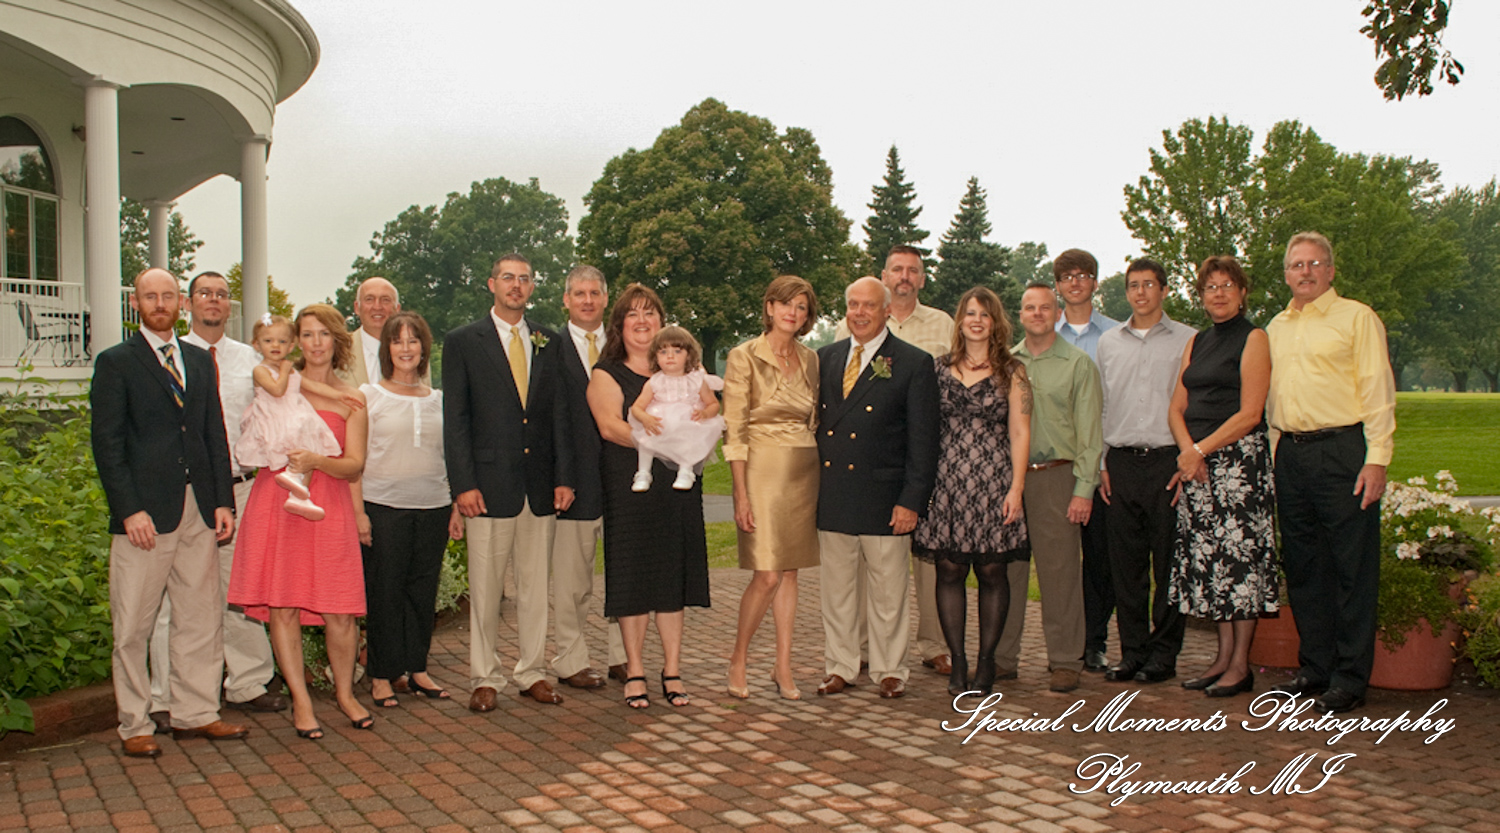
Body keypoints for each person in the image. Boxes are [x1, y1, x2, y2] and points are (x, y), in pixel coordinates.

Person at [91, 267, 247, 759]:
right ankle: (135, 723)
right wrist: (128, 509)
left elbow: (213, 433)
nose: (159, 304)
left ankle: (196, 713)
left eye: (167, 296)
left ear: (181, 303)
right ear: (135, 304)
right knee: (133, 626)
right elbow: (107, 445)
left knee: (200, 617)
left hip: (198, 509)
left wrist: (222, 500)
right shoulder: (116, 362)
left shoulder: (198, 360)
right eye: (149, 296)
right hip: (144, 517)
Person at [146, 271, 285, 736]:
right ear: (188, 304)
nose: (214, 301)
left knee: (239, 588)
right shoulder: (171, 357)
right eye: (204, 293)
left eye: (222, 295)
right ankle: (166, 697)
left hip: (240, 487)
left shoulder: (250, 358)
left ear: (229, 306)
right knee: (174, 599)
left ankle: (247, 682)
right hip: (185, 490)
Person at [1266, 231, 1396, 716]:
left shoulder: (1357, 318)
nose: (1306, 272)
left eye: (1315, 263)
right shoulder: (1276, 327)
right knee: (1304, 568)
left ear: (1331, 270)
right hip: (1291, 453)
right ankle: (1315, 668)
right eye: (1297, 265)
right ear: (1286, 274)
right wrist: (1274, 460)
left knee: (1351, 569)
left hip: (1343, 451)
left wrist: (1377, 457)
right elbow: (1273, 400)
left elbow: (1377, 389)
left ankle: (1350, 677)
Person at [228, 304, 371, 740]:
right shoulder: (280, 385)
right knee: (283, 606)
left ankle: (345, 694)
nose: (315, 342)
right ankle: (302, 702)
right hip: (279, 502)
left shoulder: (353, 398)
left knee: (340, 610)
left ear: (337, 340)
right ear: (295, 342)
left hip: (329, 507)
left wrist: (317, 461)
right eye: (307, 334)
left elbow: (354, 465)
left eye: (323, 334)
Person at [443, 253, 575, 711]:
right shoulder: (463, 341)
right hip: (486, 487)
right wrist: (463, 484)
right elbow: (455, 419)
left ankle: (532, 672)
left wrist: (563, 477)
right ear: (491, 284)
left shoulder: (549, 341)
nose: (516, 285)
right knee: (486, 590)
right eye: (507, 278)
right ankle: (485, 676)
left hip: (539, 487)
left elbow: (559, 413)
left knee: (536, 589)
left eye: (524, 279)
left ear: (532, 287)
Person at [815, 276, 940, 700]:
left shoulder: (913, 362)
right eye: (853, 304)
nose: (860, 313)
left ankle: (890, 669)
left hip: (885, 498)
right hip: (835, 493)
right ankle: (841, 666)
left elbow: (924, 441)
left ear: (887, 310)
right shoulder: (826, 358)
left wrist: (912, 500)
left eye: (869, 305)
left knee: (888, 593)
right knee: (837, 592)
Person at [587, 284, 711, 708]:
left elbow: (706, 413)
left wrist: (693, 438)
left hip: (678, 487)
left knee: (672, 577)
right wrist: (670, 445)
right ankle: (636, 669)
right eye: (633, 314)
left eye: (650, 313)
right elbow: (610, 427)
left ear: (662, 322)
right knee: (633, 577)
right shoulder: (606, 373)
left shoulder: (688, 372)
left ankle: (672, 670)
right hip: (631, 487)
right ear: (619, 325)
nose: (642, 321)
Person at [837, 245, 955, 676]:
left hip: (926, 455)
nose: (905, 276)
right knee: (868, 564)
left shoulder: (942, 324)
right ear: (884, 277)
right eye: (897, 269)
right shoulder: (850, 325)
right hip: (872, 464)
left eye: (913, 270)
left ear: (922, 279)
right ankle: (864, 648)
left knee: (927, 562)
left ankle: (933, 644)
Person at [1167, 256, 1277, 698]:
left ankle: (1240, 666)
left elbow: (1250, 413)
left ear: (1242, 292)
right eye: (1210, 286)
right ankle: (1221, 658)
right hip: (1198, 466)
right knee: (1213, 565)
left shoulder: (1254, 338)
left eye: (1227, 285)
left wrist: (1199, 451)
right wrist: (1187, 453)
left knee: (1239, 565)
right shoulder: (1197, 341)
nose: (1218, 293)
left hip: (1238, 467)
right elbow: (1176, 407)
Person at [913, 287, 1030, 697]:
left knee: (992, 571)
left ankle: (986, 663)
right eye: (970, 313)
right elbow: (923, 427)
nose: (977, 320)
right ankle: (958, 662)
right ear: (959, 320)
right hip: (947, 484)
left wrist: (1017, 488)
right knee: (949, 570)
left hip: (994, 484)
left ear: (996, 322)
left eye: (985, 314)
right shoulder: (937, 369)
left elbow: (1020, 431)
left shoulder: (1013, 371)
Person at [352, 311, 463, 709]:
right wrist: (359, 513)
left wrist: (455, 506)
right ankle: (382, 675)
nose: (405, 348)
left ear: (423, 348)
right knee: (385, 593)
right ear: (387, 349)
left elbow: (450, 458)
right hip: (383, 507)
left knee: (421, 592)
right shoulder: (368, 396)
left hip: (433, 507)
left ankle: (417, 668)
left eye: (413, 340)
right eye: (397, 340)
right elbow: (355, 460)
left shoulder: (439, 401)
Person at [1000, 284, 1104, 694]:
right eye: (1030, 307)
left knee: (1059, 574)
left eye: (1045, 307)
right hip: (1010, 479)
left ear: (1057, 313)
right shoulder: (1006, 363)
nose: (1038, 313)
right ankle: (1003, 658)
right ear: (1020, 314)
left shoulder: (1078, 365)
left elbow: (1090, 434)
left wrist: (1084, 489)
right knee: (1008, 571)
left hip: (1057, 477)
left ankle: (1064, 660)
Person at [1096, 259, 1196, 684]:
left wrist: (1188, 460)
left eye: (1149, 284)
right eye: (1133, 285)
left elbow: (1194, 406)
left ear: (1164, 290)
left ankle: (1164, 654)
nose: (1140, 292)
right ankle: (1133, 652)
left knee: (1168, 565)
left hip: (1167, 463)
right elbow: (1102, 405)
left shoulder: (1188, 340)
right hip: (1120, 462)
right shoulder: (1109, 343)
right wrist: (1102, 462)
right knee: (1127, 567)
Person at [723, 276, 821, 701]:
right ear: (769, 307)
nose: (792, 312)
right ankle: (738, 658)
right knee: (766, 575)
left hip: (804, 471)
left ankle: (783, 665)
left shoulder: (812, 359)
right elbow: (734, 428)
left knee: (790, 572)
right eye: (785, 304)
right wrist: (740, 493)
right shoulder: (743, 355)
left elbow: (815, 419)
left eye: (801, 307)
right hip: (760, 471)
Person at [551, 265, 626, 690]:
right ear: (566, 300)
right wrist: (561, 476)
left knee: (623, 572)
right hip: (573, 481)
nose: (587, 300)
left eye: (594, 293)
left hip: (622, 477)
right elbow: (552, 419)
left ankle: (623, 656)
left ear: (605, 298)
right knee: (572, 581)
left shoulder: (624, 347)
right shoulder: (550, 348)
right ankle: (571, 661)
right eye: (579, 293)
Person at [1052, 249, 1121, 674]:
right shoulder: (1046, 336)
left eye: (1083, 275)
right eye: (1067, 276)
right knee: (1061, 560)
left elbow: (1115, 402)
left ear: (1095, 282)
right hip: (1057, 464)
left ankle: (1095, 641)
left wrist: (1104, 462)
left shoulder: (1115, 336)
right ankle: (1065, 641)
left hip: (1104, 464)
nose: (1075, 282)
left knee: (1100, 558)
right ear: (1058, 285)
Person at [237, 313, 354, 521]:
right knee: (301, 434)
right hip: (274, 417)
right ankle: (293, 478)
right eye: (268, 341)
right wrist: (284, 370)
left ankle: (300, 493)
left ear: (291, 346)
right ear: (256, 345)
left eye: (282, 341)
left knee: (311, 444)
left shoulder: (290, 370)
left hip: (293, 413)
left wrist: (339, 395)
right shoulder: (260, 370)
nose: (275, 345)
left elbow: (314, 386)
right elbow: (277, 390)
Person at [627, 326, 725, 492]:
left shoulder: (696, 380)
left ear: (689, 355)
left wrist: (705, 413)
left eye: (677, 351)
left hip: (687, 423)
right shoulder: (654, 382)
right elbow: (637, 407)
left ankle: (686, 470)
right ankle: (643, 472)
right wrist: (645, 418)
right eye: (663, 352)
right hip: (659, 423)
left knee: (690, 436)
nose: (670, 356)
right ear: (655, 356)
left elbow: (713, 404)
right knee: (646, 439)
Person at [342, 277, 429, 386]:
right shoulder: (339, 349)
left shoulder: (414, 354)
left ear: (397, 308)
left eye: (385, 300)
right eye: (369, 299)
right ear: (357, 307)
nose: (377, 307)